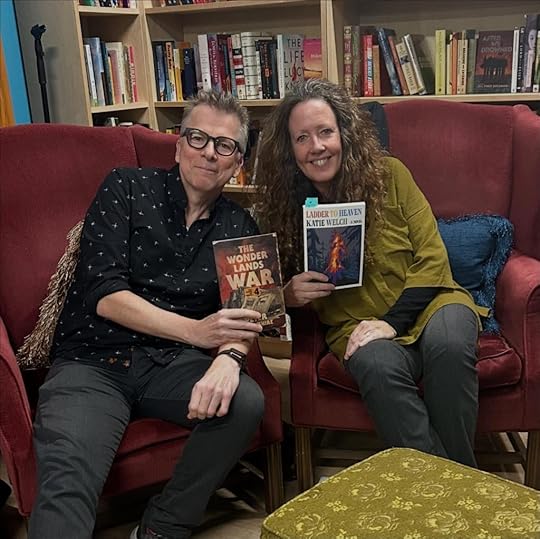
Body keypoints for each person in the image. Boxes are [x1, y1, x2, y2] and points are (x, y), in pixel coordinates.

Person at [28, 91, 266, 539]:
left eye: (225, 145)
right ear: (178, 145)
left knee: (245, 401)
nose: (209, 153)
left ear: (238, 162)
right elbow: (105, 295)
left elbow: (250, 311)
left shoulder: (239, 226)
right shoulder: (126, 187)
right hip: (93, 360)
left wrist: (229, 359)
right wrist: (197, 332)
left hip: (172, 366)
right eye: (197, 138)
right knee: (69, 477)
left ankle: (161, 528)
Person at [254, 79, 481, 468]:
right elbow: (260, 301)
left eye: (325, 132)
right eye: (302, 138)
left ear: (344, 134)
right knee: (375, 365)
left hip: (434, 303)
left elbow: (432, 256)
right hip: (354, 325)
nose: (316, 146)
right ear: (289, 151)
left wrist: (391, 322)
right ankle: (450, 485)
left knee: (449, 345)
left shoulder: (391, 174)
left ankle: (452, 482)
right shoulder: (283, 210)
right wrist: (288, 295)